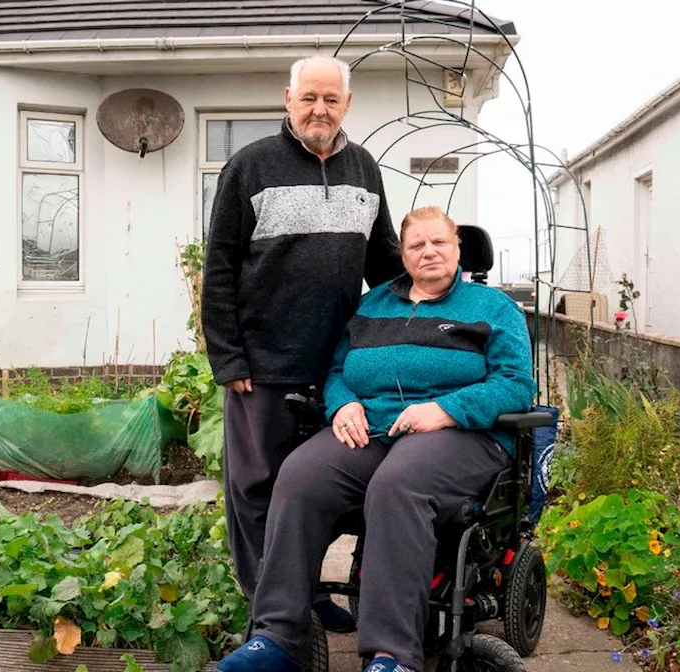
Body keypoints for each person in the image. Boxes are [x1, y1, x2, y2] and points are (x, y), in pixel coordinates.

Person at [215, 206, 537, 672]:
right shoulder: (373, 306)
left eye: (439, 242)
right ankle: (278, 638)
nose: (429, 252)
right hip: (377, 431)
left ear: (457, 248)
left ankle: (391, 656)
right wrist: (343, 402)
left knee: (398, 484)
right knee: (301, 476)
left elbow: (515, 384)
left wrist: (445, 410)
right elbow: (340, 370)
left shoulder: (493, 309)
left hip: (464, 435)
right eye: (416, 245)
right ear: (402, 255)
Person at [201, 54, 405, 631]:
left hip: (339, 369)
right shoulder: (249, 167)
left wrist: (440, 290)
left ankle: (306, 597)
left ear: (346, 105)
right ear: (287, 99)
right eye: (308, 97)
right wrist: (228, 355)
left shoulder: (364, 168)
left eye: (331, 99)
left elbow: (384, 259)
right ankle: (270, 617)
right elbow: (218, 268)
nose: (320, 109)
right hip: (262, 367)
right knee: (257, 489)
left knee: (315, 494)